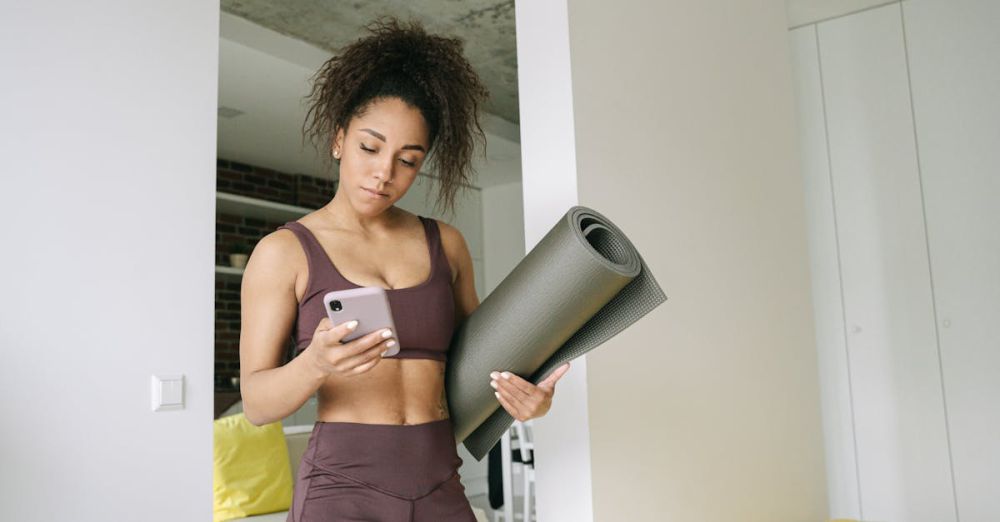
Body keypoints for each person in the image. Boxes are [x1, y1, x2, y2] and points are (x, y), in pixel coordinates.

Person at [238, 16, 572, 522]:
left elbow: (481, 368)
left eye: (408, 160)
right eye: (369, 148)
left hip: (441, 481)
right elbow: (257, 404)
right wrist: (317, 364)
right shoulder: (284, 252)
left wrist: (525, 401)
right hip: (340, 490)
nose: (384, 174)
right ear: (339, 138)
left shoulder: (447, 244)